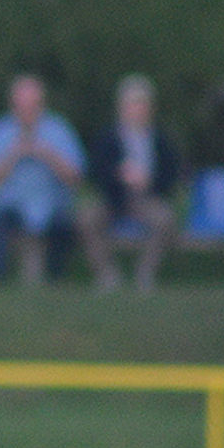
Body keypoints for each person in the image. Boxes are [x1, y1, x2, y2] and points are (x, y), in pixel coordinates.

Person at [78, 74, 181, 293]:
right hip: (113, 199)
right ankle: (107, 275)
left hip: (147, 199)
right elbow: (96, 171)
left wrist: (148, 180)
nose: (136, 109)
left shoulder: (161, 140)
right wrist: (119, 175)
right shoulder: (107, 137)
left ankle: (145, 274)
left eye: (141, 104)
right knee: (86, 218)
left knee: (165, 220)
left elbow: (172, 174)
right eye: (131, 104)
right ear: (121, 107)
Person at [0, 75, 84, 284]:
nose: (27, 111)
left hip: (52, 202)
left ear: (41, 104)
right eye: (22, 105)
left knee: (64, 223)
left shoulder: (58, 130)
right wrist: (14, 154)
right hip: (11, 203)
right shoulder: (0, 131)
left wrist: (47, 154)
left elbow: (75, 178)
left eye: (32, 105)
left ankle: (55, 279)